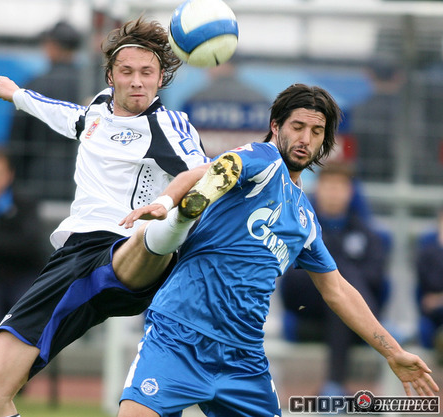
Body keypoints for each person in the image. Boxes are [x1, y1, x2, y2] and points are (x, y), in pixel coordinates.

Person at [117, 83, 439, 416]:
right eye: (297, 127)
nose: (305, 139)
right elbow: (209, 171)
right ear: (275, 126)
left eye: (316, 132)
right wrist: (166, 202)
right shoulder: (263, 159)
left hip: (243, 358)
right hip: (179, 338)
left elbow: (338, 291)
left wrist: (392, 352)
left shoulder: (305, 220)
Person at [0, 16, 209, 417]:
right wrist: (19, 96)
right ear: (111, 76)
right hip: (73, 258)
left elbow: (206, 171)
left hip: (124, 246)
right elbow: (70, 117)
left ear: (161, 78)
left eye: (147, 72)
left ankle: (162, 240)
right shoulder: (98, 108)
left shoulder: (167, 124)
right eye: (127, 71)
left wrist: (166, 204)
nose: (137, 81)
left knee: (148, 239)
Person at [279, 161, 389, 396]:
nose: (333, 193)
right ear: (318, 189)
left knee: (340, 294)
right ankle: (378, 329)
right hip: (307, 309)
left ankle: (334, 387)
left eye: (340, 187)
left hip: (342, 316)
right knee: (337, 277)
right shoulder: (300, 227)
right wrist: (332, 274)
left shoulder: (367, 233)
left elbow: (377, 277)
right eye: (329, 186)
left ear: (350, 192)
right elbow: (291, 280)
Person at [0, 145, 45, 355]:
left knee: (27, 311)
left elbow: (30, 246)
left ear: (9, 175)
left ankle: (21, 369)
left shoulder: (25, 203)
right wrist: (4, 246)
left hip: (21, 279)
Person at [9, 20, 83, 201]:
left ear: (52, 47)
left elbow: (17, 140)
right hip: (81, 179)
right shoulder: (90, 86)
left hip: (37, 179)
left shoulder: (33, 86)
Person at [416, 206, 443, 362]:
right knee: (425, 329)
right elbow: (429, 285)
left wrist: (438, 299)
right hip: (434, 315)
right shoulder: (428, 250)